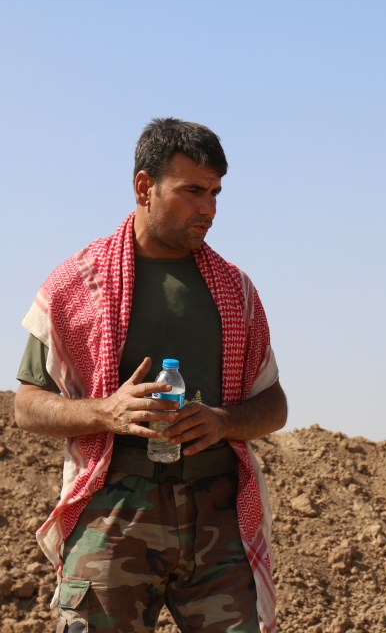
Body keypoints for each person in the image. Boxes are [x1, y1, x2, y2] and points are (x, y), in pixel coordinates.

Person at [14, 117, 287, 632]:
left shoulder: (236, 290)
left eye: (215, 193)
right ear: (145, 187)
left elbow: (274, 404)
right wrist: (106, 411)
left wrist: (223, 422)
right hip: (115, 511)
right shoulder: (78, 285)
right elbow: (26, 405)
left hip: (217, 517)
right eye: (192, 191)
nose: (208, 208)